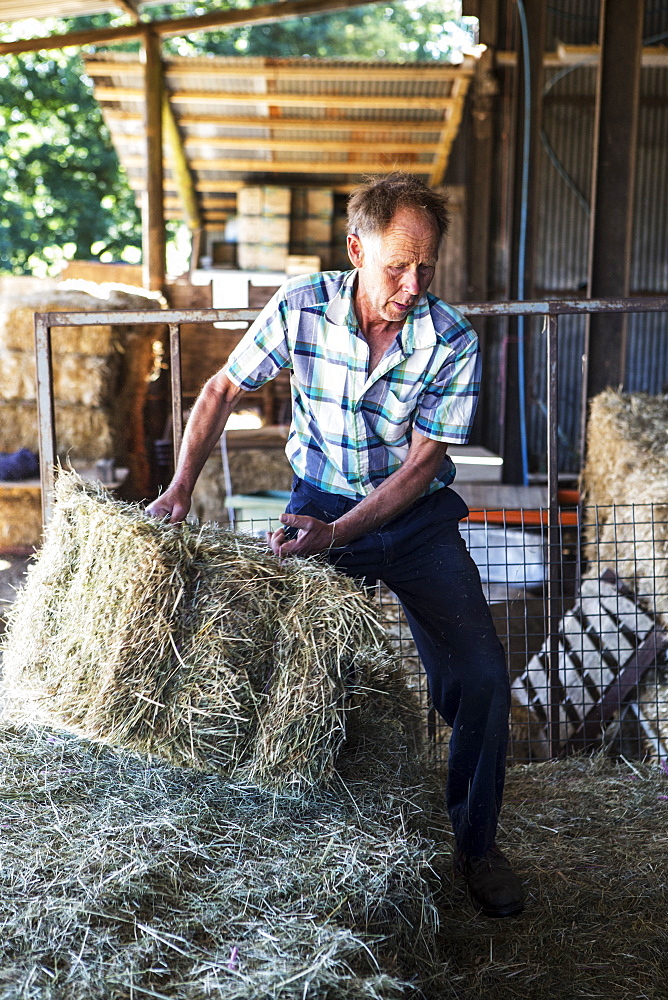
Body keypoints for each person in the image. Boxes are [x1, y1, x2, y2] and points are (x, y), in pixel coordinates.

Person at [147, 172, 524, 918]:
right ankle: (298, 844)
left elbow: (422, 466)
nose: (413, 284)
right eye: (396, 266)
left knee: (480, 677)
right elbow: (224, 388)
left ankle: (477, 846)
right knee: (297, 680)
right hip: (318, 499)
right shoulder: (301, 307)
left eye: (426, 268)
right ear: (357, 249)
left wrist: (342, 535)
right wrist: (180, 488)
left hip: (413, 519)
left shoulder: (451, 339)